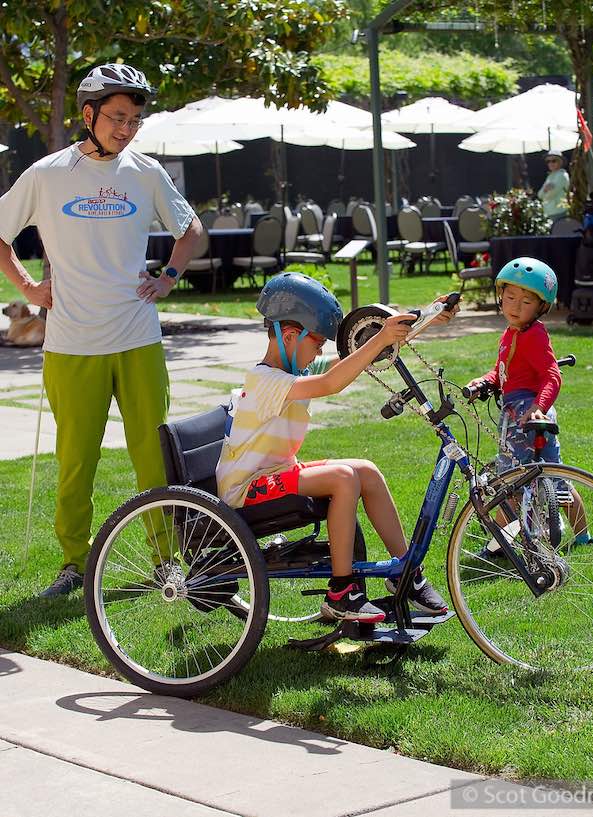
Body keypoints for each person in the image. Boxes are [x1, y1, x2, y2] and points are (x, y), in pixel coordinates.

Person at [0, 63, 203, 597]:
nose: (127, 128)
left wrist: (168, 279)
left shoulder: (146, 172)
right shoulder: (46, 174)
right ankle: (74, 563)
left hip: (138, 337)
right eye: (117, 117)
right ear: (87, 115)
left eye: (135, 119)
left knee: (154, 455)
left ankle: (168, 562)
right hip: (71, 344)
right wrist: (27, 288)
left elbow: (192, 231)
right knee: (76, 460)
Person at [216, 272, 459, 622]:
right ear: (289, 336)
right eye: (317, 345)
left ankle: (406, 574)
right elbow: (332, 382)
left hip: (275, 474)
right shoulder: (265, 379)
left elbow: (354, 356)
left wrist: (423, 317)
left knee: (367, 472)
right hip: (245, 490)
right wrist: (381, 340)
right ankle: (341, 593)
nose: (319, 352)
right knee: (344, 478)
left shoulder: (293, 368)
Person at [464, 258, 593, 560]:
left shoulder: (534, 334)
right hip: (515, 414)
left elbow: (552, 375)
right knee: (548, 476)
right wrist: (484, 382)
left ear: (540, 308)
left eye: (525, 301)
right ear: (500, 297)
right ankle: (580, 536)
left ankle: (499, 544)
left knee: (513, 480)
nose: (515, 306)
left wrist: (538, 407)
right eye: (510, 298)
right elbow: (503, 372)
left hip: (528, 416)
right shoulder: (511, 334)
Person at [537, 150, 569, 221]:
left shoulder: (562, 175)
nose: (550, 163)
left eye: (554, 161)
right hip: (549, 213)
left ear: (560, 162)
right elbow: (539, 195)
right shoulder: (550, 176)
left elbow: (550, 194)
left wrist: (545, 191)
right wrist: (546, 190)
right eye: (548, 161)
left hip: (560, 212)